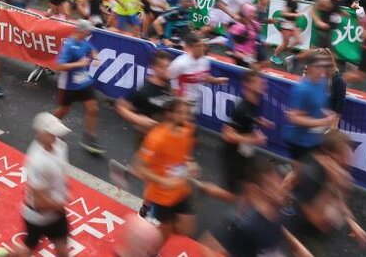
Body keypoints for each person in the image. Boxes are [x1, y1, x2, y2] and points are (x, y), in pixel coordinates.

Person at [0, 113, 73, 257]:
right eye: (51, 133)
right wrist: (61, 204)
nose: (56, 136)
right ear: (40, 134)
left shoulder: (61, 146)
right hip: (37, 217)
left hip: (56, 214)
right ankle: (9, 255)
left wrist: (64, 191)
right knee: (27, 250)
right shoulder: (38, 162)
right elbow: (39, 203)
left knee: (63, 251)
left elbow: (61, 173)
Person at [199, 157, 308, 257]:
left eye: (277, 181)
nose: (278, 187)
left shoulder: (278, 211)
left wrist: (299, 248)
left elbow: (279, 227)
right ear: (257, 190)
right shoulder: (245, 226)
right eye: (270, 185)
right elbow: (207, 247)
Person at [284, 131, 366, 253]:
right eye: (344, 156)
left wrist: (352, 224)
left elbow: (337, 198)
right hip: (300, 235)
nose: (348, 161)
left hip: (314, 235)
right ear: (330, 154)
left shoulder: (331, 171)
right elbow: (320, 222)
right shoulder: (312, 176)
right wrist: (335, 183)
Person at [134, 98, 198, 240]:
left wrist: (190, 163)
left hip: (181, 189)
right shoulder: (156, 138)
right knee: (165, 232)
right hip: (161, 196)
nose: (185, 117)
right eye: (180, 113)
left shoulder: (188, 129)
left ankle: (151, 224)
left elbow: (185, 153)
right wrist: (163, 180)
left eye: (187, 113)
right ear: (169, 114)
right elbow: (139, 168)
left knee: (187, 229)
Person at [53, 20, 105, 155]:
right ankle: (50, 128)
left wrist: (96, 58)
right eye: (87, 32)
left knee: (93, 109)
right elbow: (59, 66)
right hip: (68, 84)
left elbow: (91, 49)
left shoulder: (84, 41)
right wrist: (79, 63)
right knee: (64, 109)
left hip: (83, 82)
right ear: (80, 31)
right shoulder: (69, 45)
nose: (89, 34)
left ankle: (89, 138)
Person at [219, 71, 272, 197]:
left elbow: (250, 119)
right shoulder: (241, 109)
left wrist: (261, 122)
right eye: (259, 83)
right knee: (232, 196)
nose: (264, 86)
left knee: (253, 184)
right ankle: (203, 187)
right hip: (233, 156)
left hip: (246, 153)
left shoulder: (254, 103)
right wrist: (254, 140)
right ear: (249, 85)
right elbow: (227, 134)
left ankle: (246, 213)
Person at [282, 55, 337, 169]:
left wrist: (327, 113)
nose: (321, 70)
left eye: (323, 67)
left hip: (314, 139)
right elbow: (294, 118)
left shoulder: (322, 83)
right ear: (310, 67)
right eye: (318, 67)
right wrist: (323, 121)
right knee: (299, 176)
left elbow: (318, 106)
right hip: (299, 141)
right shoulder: (301, 89)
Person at [114, 50, 172, 136]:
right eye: (162, 67)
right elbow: (120, 107)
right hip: (146, 138)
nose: (166, 70)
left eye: (167, 67)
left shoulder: (167, 82)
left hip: (163, 135)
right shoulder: (144, 90)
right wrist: (139, 119)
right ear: (153, 67)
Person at [166, 34, 227, 113]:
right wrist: (177, 99)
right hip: (181, 106)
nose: (202, 48)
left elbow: (204, 76)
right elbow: (168, 77)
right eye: (198, 46)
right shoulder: (180, 63)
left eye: (202, 45)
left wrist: (216, 80)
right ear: (190, 48)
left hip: (195, 103)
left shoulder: (204, 61)